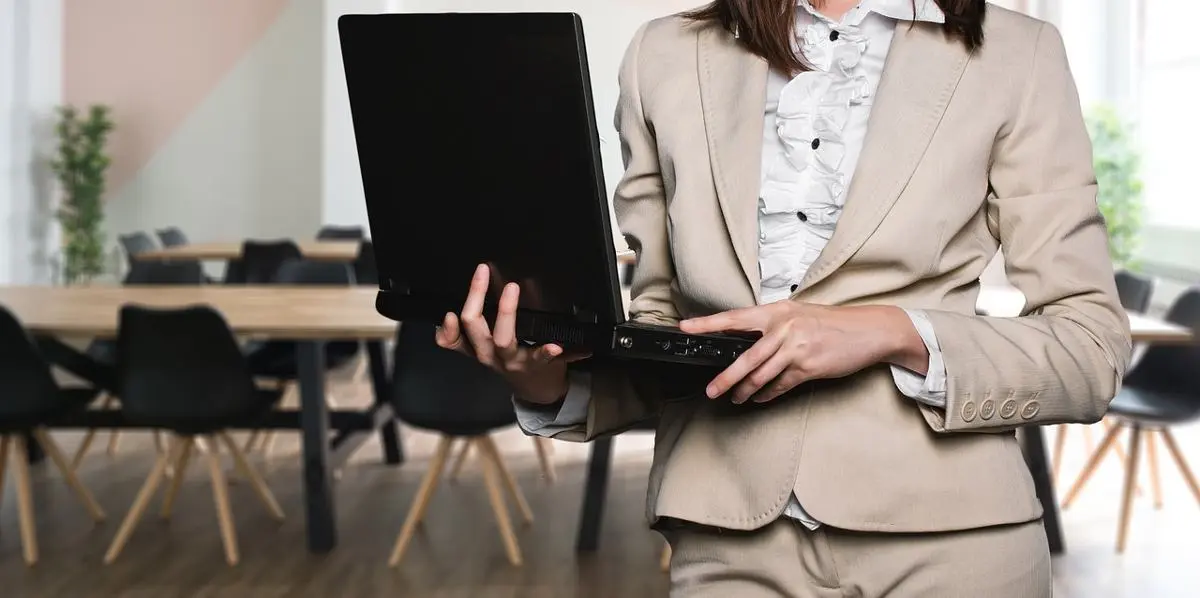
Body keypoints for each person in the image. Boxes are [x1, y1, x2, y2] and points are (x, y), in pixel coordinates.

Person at [436, 0, 1133, 595]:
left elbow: (1090, 347)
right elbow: (664, 336)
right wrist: (544, 378)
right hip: (726, 535)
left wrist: (890, 331)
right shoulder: (665, 56)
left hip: (955, 538)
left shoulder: (1019, 55)